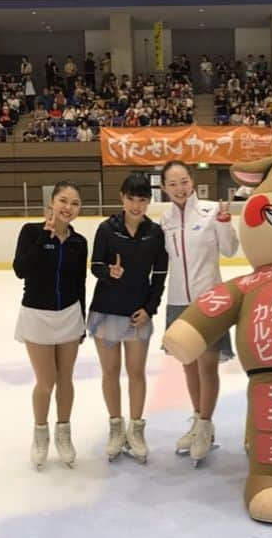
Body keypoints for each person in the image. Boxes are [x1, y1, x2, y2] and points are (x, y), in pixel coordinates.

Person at [160, 160, 239, 464]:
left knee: (208, 367)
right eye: (172, 184)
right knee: (188, 367)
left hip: (209, 300)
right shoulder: (164, 220)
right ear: (164, 188)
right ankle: (198, 420)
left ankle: (205, 424)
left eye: (184, 181)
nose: (179, 189)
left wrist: (224, 222)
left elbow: (230, 249)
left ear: (192, 181)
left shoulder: (210, 211)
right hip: (178, 301)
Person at [87, 173, 168, 464]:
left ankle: (136, 429)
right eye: (131, 198)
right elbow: (95, 265)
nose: (136, 205)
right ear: (121, 197)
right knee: (110, 372)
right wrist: (109, 272)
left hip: (138, 315)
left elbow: (159, 275)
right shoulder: (107, 229)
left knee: (136, 372)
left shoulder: (155, 233)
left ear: (149, 201)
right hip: (106, 311)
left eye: (142, 199)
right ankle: (115, 427)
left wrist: (150, 308)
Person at [12, 181, 87, 470]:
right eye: (64, 201)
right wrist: (45, 239)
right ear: (52, 204)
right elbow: (20, 270)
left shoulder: (79, 242)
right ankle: (40, 434)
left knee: (66, 379)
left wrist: (82, 321)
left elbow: (80, 282)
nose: (68, 207)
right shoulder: (32, 232)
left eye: (75, 203)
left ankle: (64, 434)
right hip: (37, 317)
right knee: (46, 381)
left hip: (69, 315)